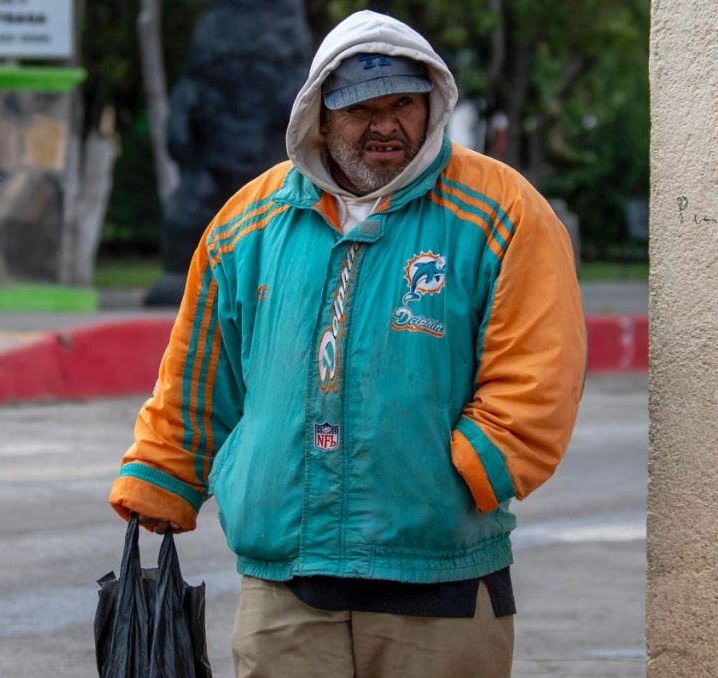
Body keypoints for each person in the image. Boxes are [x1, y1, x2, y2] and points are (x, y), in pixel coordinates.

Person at [109, 9, 586, 678]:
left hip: (440, 584)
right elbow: (199, 373)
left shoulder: (503, 211)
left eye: (404, 104)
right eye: (362, 108)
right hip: (284, 591)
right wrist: (161, 479)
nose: (387, 124)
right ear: (320, 116)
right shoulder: (247, 223)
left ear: (431, 106)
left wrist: (469, 469)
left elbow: (542, 367)